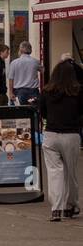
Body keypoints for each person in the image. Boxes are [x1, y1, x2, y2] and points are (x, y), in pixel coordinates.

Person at [40, 60, 82, 222]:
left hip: (51, 134)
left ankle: (56, 208)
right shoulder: (77, 92)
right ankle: (70, 206)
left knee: (54, 172)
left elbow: (42, 112)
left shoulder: (47, 91)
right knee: (70, 173)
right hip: (71, 135)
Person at [8, 41, 42, 105]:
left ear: (20, 50)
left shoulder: (14, 63)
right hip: (33, 92)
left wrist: (10, 92)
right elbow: (43, 71)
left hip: (18, 92)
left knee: (19, 112)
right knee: (34, 112)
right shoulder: (35, 62)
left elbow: (11, 79)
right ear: (30, 50)